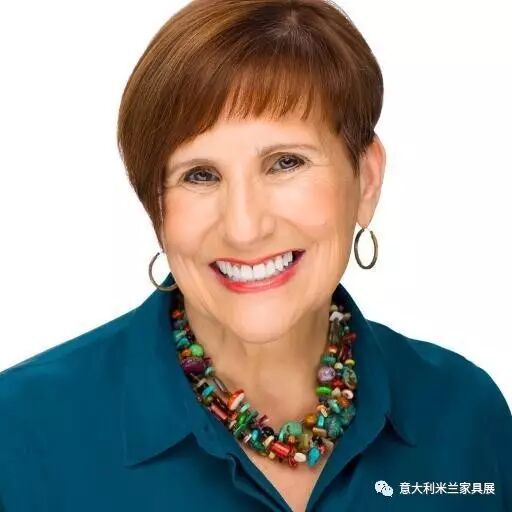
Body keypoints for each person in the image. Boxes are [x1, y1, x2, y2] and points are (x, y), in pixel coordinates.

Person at [1, 0, 511, 511]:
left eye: (285, 163)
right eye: (200, 175)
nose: (244, 229)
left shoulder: (465, 417)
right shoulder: (22, 433)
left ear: (367, 179)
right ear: (155, 205)